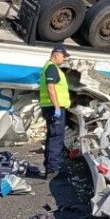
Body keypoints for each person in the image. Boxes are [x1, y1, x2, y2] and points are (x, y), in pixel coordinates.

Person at [39, 44, 71, 179]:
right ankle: (53, 170)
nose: (64, 59)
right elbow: (51, 87)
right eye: (63, 56)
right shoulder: (52, 68)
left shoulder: (49, 67)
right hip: (54, 108)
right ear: (56, 55)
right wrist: (57, 106)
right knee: (56, 138)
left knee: (52, 137)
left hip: (49, 107)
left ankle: (50, 167)